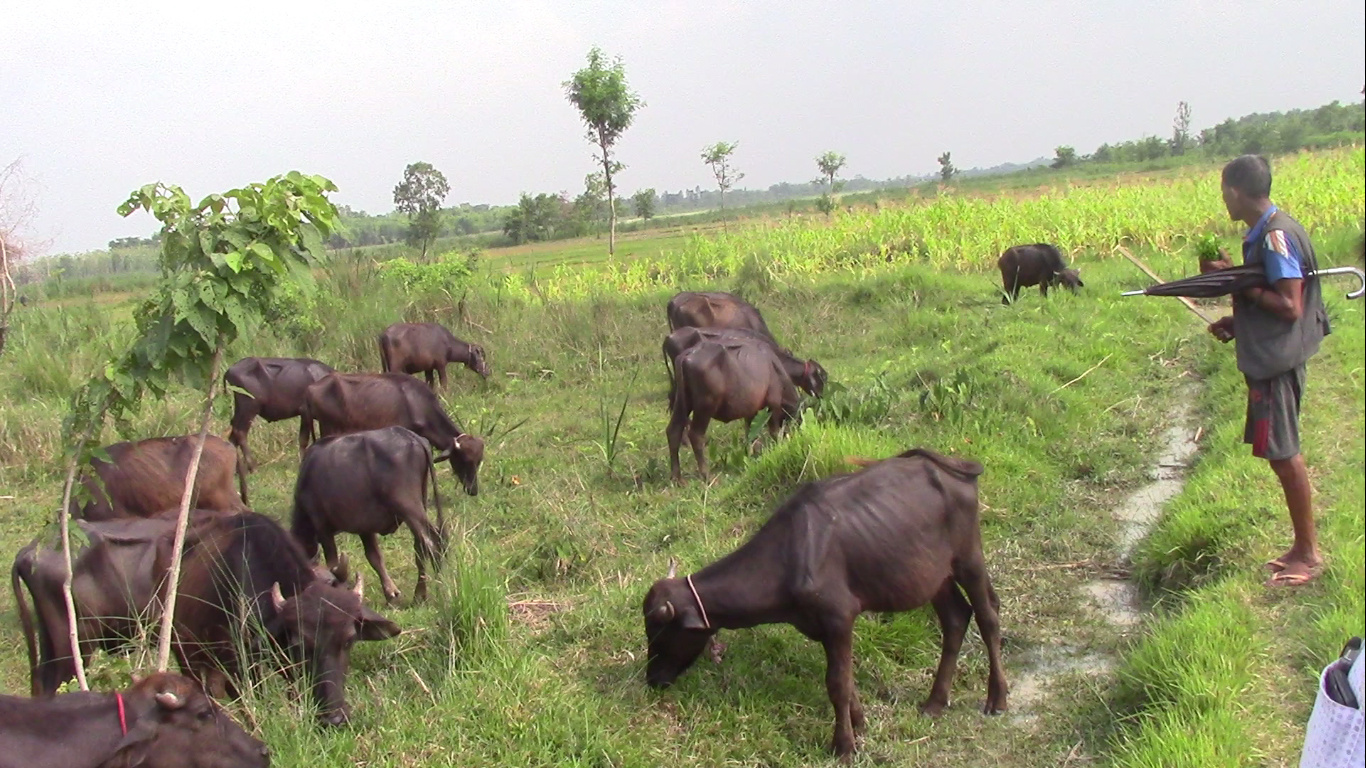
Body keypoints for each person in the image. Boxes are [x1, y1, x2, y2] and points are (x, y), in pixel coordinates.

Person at [1204, 154, 1331, 587]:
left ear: (1236, 191)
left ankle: (1309, 555)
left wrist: (1240, 283)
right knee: (1280, 450)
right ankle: (1300, 547)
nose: (1223, 199)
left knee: (1284, 452)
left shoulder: (1275, 238)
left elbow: (1289, 306)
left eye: (1224, 191)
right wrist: (1237, 322)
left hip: (1277, 361)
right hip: (1274, 354)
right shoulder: (1273, 229)